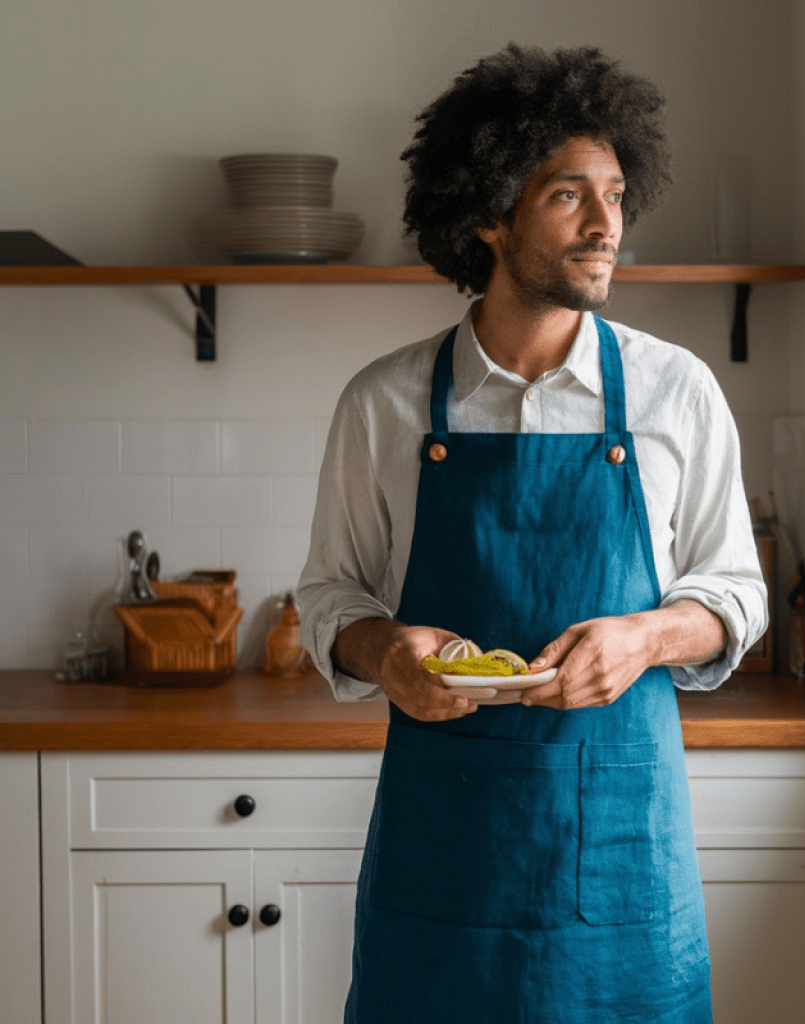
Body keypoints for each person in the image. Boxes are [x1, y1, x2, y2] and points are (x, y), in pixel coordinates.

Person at [298, 42, 767, 1024]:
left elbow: (734, 594)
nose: (607, 226)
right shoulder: (384, 404)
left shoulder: (674, 391)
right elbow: (330, 597)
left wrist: (640, 638)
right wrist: (388, 650)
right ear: (486, 215)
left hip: (620, 865)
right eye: (567, 196)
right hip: (444, 865)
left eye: (616, 191)